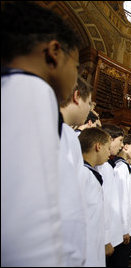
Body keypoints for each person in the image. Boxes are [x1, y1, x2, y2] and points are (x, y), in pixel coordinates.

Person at [2, 2, 80, 266]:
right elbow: (27, 224)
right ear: (54, 52)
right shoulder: (30, 90)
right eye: (77, 65)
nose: (76, 77)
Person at [58, 77, 92, 266]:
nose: (90, 110)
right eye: (89, 103)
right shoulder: (67, 136)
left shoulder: (67, 135)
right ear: (77, 97)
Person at [95, 124, 127, 267]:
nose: (121, 146)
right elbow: (105, 203)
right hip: (109, 235)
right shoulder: (103, 167)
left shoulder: (108, 165)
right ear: (110, 139)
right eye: (120, 141)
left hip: (114, 231)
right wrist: (106, 238)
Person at [79, 127, 112, 266]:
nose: (109, 153)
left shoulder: (89, 172)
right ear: (98, 146)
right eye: (108, 148)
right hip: (84, 248)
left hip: (94, 244)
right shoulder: (82, 174)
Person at [112, 135, 131, 258]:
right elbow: (121, 201)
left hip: (128, 226)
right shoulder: (120, 168)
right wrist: (124, 228)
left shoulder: (125, 167)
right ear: (126, 147)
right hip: (123, 229)